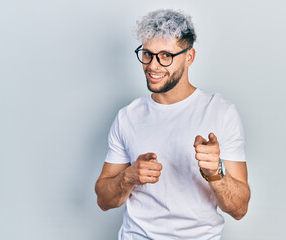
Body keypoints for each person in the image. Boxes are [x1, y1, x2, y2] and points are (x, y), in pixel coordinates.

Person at [95, 9, 251, 240]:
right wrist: (128, 176)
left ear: (189, 57)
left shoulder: (220, 112)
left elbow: (239, 209)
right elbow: (103, 200)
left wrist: (215, 174)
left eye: (166, 55)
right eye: (147, 54)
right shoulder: (128, 116)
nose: (153, 66)